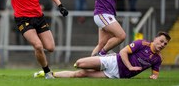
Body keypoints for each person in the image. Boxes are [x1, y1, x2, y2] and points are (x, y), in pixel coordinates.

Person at [34, 31, 171, 79]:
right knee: (79, 64)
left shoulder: (158, 59)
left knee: (81, 74)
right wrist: (129, 67)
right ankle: (97, 55)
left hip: (117, 75)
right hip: (114, 61)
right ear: (155, 39)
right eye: (161, 41)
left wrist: (154, 77)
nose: (162, 44)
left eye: (165, 44)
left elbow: (155, 74)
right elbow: (123, 52)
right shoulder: (142, 44)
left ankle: (50, 74)